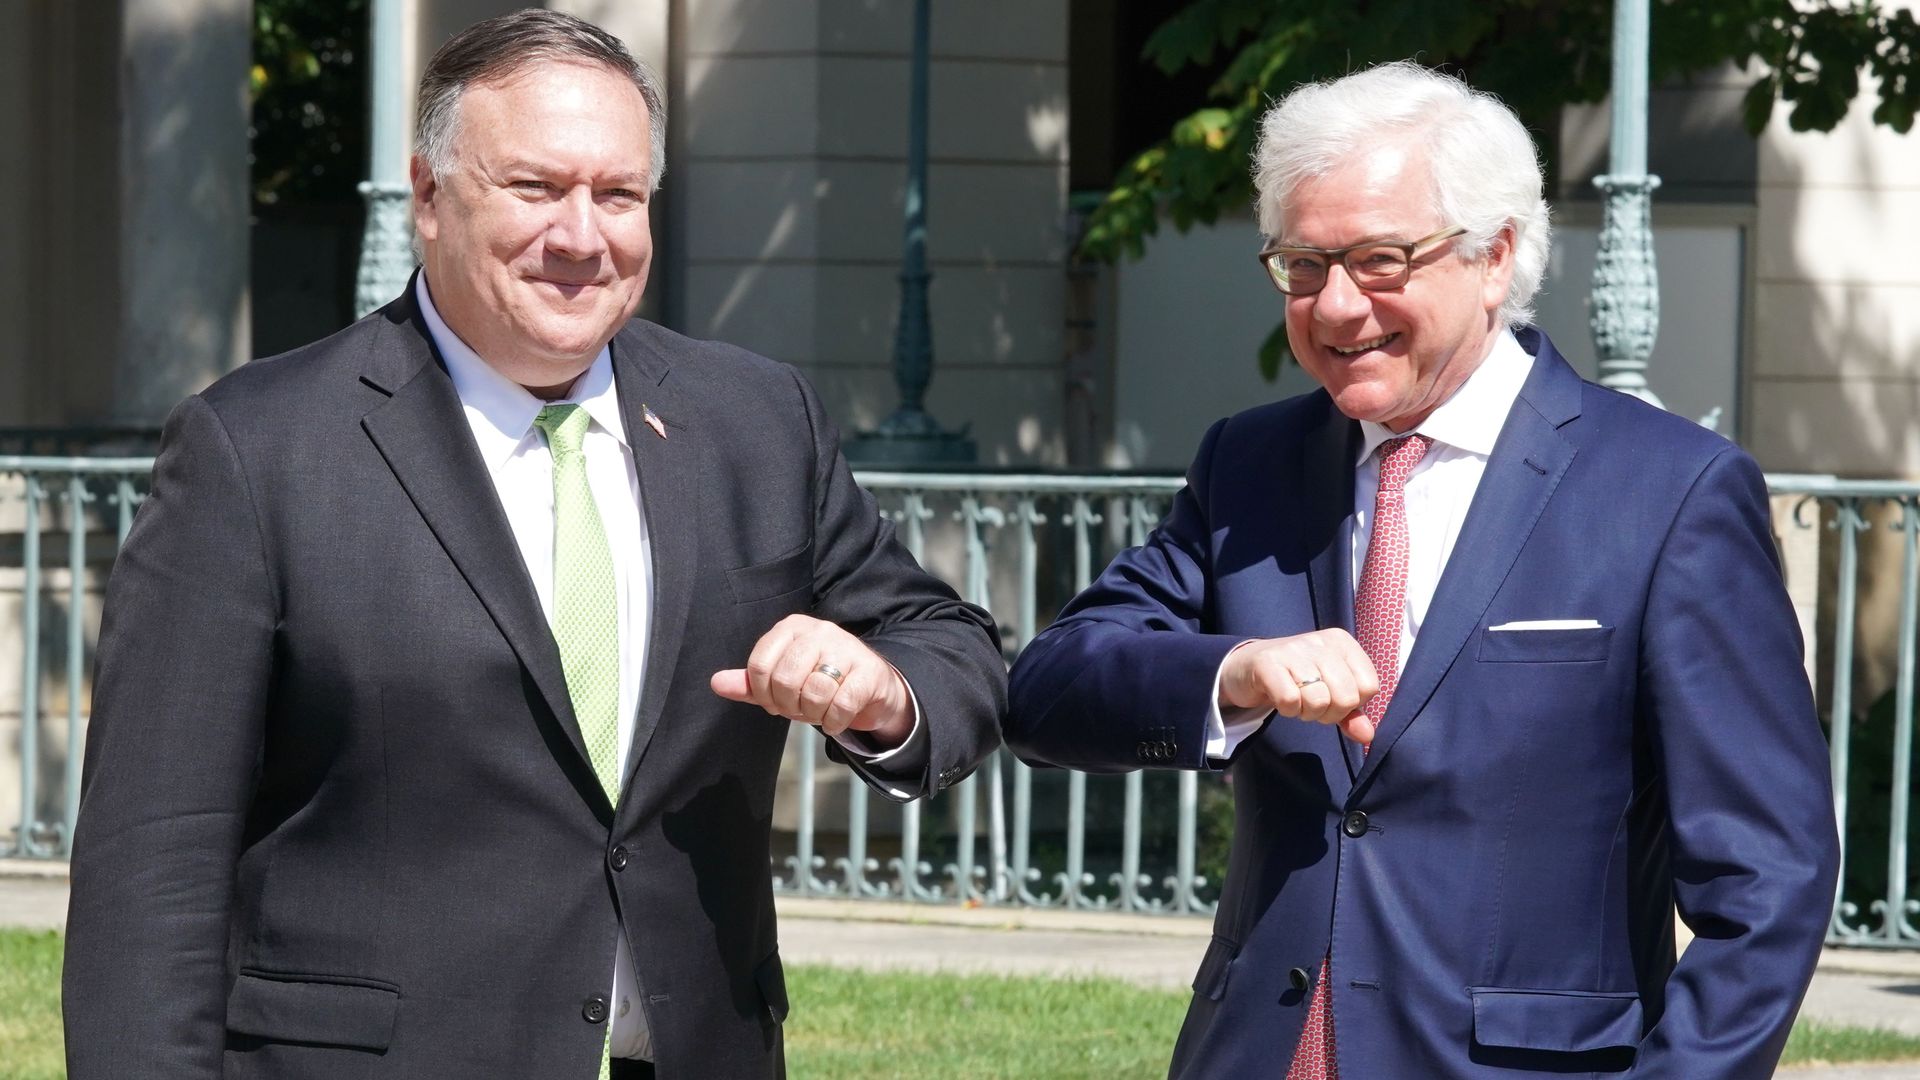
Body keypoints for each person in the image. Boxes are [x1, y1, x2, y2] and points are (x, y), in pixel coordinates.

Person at [62, 10, 1004, 1079]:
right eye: (535, 188)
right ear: (428, 196)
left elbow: (953, 645)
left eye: (619, 195)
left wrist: (886, 694)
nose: (581, 236)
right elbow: (154, 864)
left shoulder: (755, 421)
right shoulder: (256, 450)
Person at [1005, 61, 1837, 1079]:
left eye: (1379, 260)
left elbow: (1770, 878)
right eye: (1303, 266)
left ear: (1495, 256)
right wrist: (1235, 673)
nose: (1336, 306)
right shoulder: (1249, 466)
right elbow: (1047, 693)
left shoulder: (1668, 490)